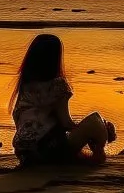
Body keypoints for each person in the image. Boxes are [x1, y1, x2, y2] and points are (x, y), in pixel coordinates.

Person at [10, 34, 117, 166]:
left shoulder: (25, 86)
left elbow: (21, 122)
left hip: (24, 153)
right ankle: (97, 153)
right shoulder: (58, 85)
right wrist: (101, 130)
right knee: (95, 120)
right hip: (48, 151)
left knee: (69, 134)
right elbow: (66, 123)